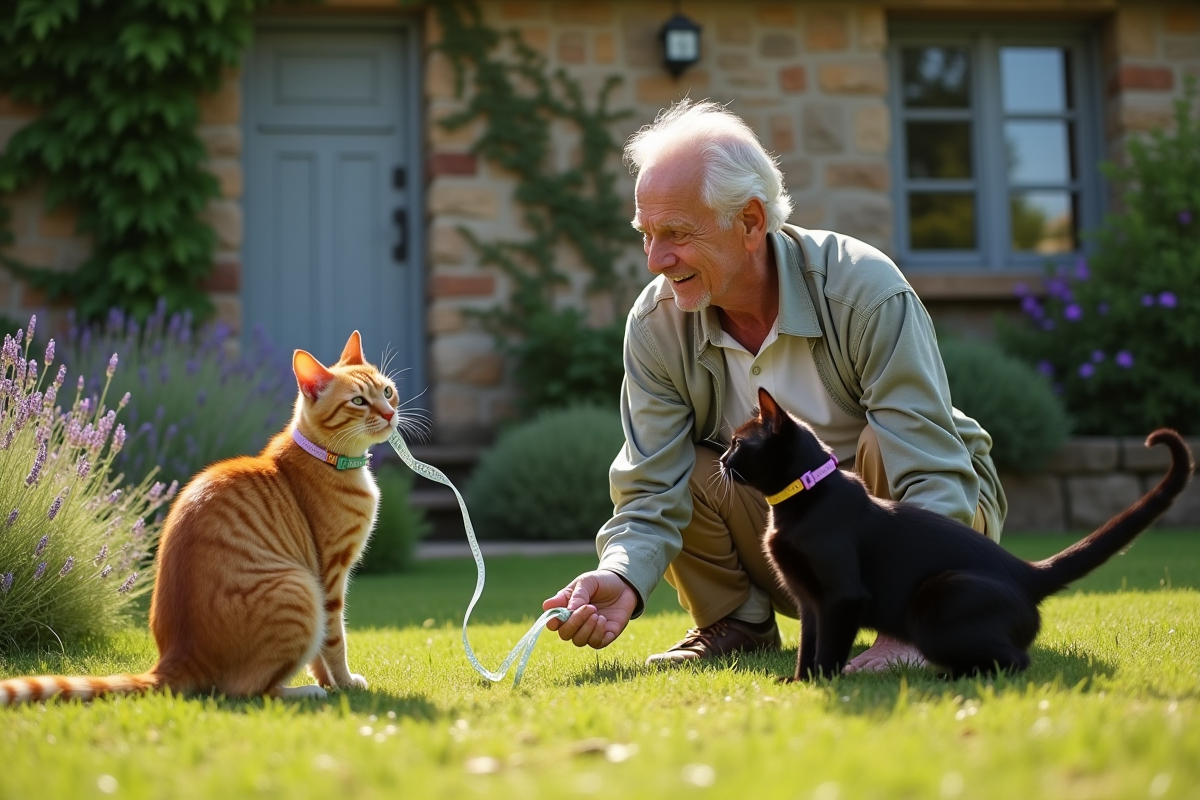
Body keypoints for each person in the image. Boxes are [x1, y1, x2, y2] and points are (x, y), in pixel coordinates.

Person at [542, 100, 1007, 671]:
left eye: (677, 234)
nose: (655, 260)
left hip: (935, 530)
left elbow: (933, 472)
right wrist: (620, 575)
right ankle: (736, 623)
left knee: (881, 443)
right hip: (802, 543)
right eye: (646, 234)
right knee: (689, 462)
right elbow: (650, 489)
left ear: (751, 222)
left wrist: (911, 626)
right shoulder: (656, 323)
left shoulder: (865, 289)